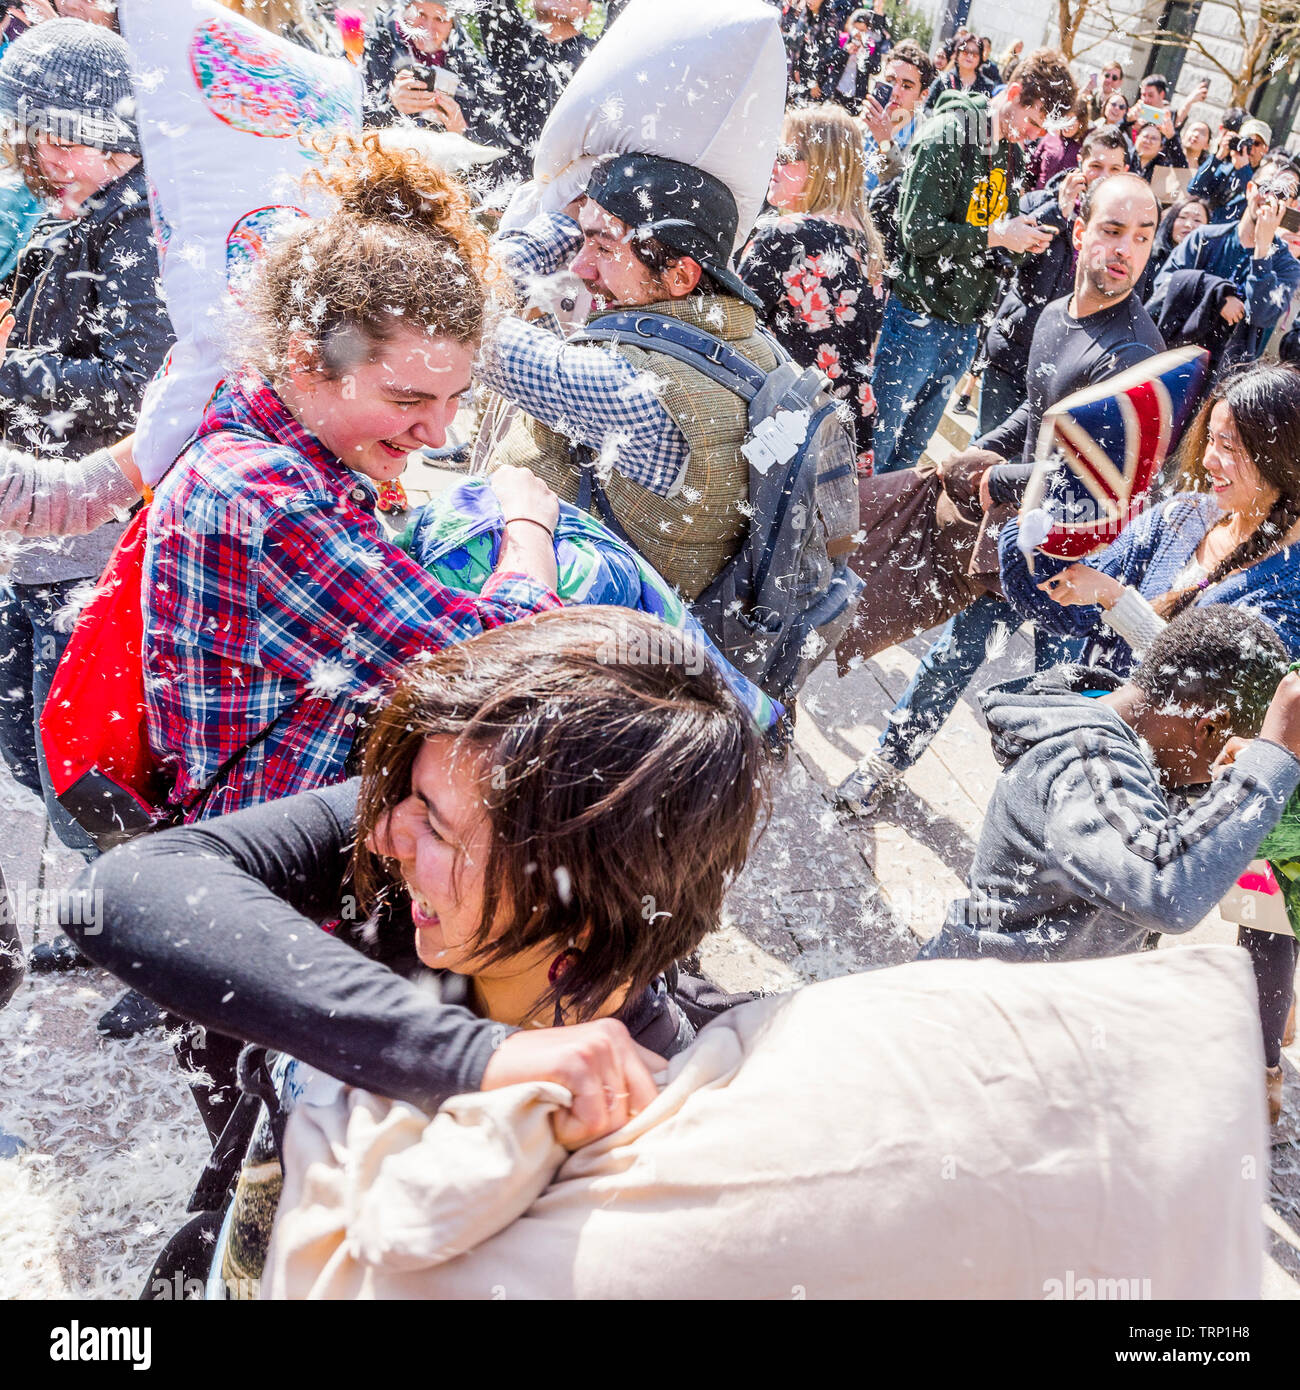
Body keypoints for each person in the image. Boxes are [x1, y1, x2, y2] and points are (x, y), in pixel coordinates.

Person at [75, 604, 768, 1157]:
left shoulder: (649, 1122)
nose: (380, 838)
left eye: (436, 828)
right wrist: (472, 1058)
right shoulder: (438, 834)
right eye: (403, 793)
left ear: (584, 896)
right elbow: (128, 886)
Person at [144, 133, 562, 831]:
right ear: (308, 359)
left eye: (455, 399)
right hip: (282, 878)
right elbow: (501, 667)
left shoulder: (272, 434)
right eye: (406, 401)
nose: (438, 434)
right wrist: (527, 529)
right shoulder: (268, 500)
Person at [838, 173, 1163, 815]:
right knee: (950, 659)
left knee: (1056, 705)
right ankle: (882, 766)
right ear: (1079, 230)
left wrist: (995, 478)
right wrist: (980, 449)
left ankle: (1033, 831)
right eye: (1112, 230)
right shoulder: (1052, 317)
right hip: (1018, 542)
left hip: (1079, 566)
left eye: (1143, 237)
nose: (1126, 249)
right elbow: (1036, 419)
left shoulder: (1133, 354)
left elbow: (1086, 478)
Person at [0, 19, 173, 860]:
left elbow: (133, 387)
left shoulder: (135, 231)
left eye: (47, 144)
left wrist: (9, 372)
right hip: (36, 530)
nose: (37, 164)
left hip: (88, 535)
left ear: (94, 133)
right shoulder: (70, 219)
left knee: (80, 756)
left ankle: (115, 907)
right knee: (26, 738)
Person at [477, 151, 782, 601]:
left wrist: (558, 228)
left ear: (681, 275)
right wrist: (592, 225)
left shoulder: (631, 386)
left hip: (562, 626)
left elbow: (453, 307)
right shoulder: (755, 345)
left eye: (602, 247)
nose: (580, 268)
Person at [870, 49, 1077, 477]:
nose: (1035, 137)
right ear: (1014, 93)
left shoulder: (1011, 152)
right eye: (1035, 122)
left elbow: (998, 231)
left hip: (965, 326)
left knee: (907, 464)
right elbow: (918, 232)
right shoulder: (949, 132)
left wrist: (1023, 239)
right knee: (875, 451)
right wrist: (996, 234)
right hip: (915, 316)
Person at [738, 103, 886, 464]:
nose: (773, 166)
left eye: (787, 155)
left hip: (784, 432)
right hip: (847, 431)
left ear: (824, 167)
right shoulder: (868, 244)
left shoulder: (785, 236)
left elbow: (729, 333)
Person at [981, 126, 1130, 437]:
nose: (1103, 176)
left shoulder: (1127, 236)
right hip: (1014, 351)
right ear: (1080, 167)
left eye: (1114, 168)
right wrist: (1057, 213)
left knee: (1030, 467)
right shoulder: (1039, 204)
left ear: (1125, 172)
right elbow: (1004, 258)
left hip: (1066, 370)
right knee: (983, 448)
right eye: (1096, 166)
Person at [1149, 153, 1300, 368]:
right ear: (1250, 189)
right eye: (1266, 187)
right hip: (1173, 358)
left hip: (1226, 377)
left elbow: (1262, 315)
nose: (1270, 198)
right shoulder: (1205, 238)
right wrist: (1214, 296)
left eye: (1281, 194)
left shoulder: (1287, 265)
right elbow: (1164, 285)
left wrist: (1263, 251)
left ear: (1290, 205)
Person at [474, 0, 596, 186]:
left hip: (569, 201)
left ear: (589, 9)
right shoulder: (508, 43)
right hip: (501, 197)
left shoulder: (599, 60)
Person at [360, 1, 493, 144]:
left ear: (453, 24)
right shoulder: (374, 43)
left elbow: (497, 146)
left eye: (440, 19)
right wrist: (391, 105)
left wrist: (463, 133)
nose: (428, 29)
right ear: (405, 10)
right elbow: (351, 121)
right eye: (420, 14)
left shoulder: (471, 64)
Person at [861, 37, 932, 192]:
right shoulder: (862, 124)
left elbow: (902, 192)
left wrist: (885, 143)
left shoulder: (926, 139)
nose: (895, 92)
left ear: (923, 95)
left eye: (906, 86)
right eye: (891, 81)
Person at [1188, 116, 1269, 223]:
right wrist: (1218, 157)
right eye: (1246, 142)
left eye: (1256, 144)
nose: (1250, 148)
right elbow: (1194, 189)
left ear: (1266, 149)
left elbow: (1257, 203)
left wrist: (1243, 169)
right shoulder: (1223, 167)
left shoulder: (1266, 176)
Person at [922, 31, 995, 110]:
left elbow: (989, 116)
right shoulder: (944, 80)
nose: (970, 56)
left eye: (975, 53)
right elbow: (926, 108)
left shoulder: (987, 86)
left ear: (980, 58)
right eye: (965, 51)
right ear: (957, 53)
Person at [1146, 195, 1210, 283]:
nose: (1188, 225)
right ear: (1171, 221)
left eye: (1197, 220)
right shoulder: (1149, 256)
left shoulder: (1210, 265)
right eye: (1182, 217)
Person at [1027, 99, 1087, 190]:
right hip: (1041, 193)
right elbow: (1033, 166)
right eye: (1065, 119)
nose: (1067, 125)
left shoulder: (1084, 145)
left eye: (1072, 121)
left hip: (1066, 196)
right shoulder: (1051, 136)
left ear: (1081, 123)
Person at [1083, 59, 1124, 125]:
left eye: (1114, 78)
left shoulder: (1121, 106)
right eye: (1107, 75)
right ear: (1101, 76)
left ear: (1120, 82)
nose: (1109, 80)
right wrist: (1084, 92)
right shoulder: (1090, 96)